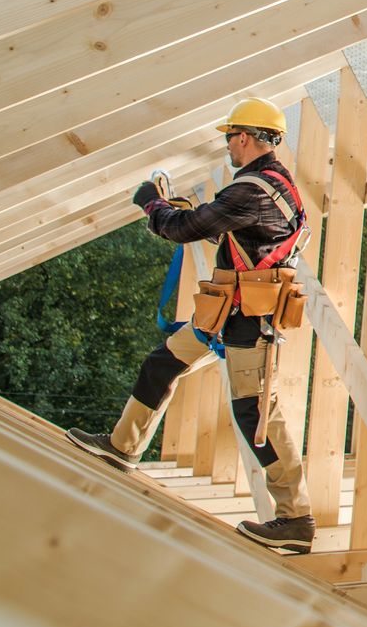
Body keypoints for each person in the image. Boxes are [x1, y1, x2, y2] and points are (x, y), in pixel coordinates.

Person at [66, 97, 317, 554]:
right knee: (162, 362)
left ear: (244, 137)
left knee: (256, 413)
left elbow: (182, 229)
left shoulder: (251, 190)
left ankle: (296, 518)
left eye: (229, 138)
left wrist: (152, 205)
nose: (227, 146)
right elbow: (233, 231)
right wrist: (194, 215)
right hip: (228, 310)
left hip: (246, 318)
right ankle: (123, 447)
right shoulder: (276, 185)